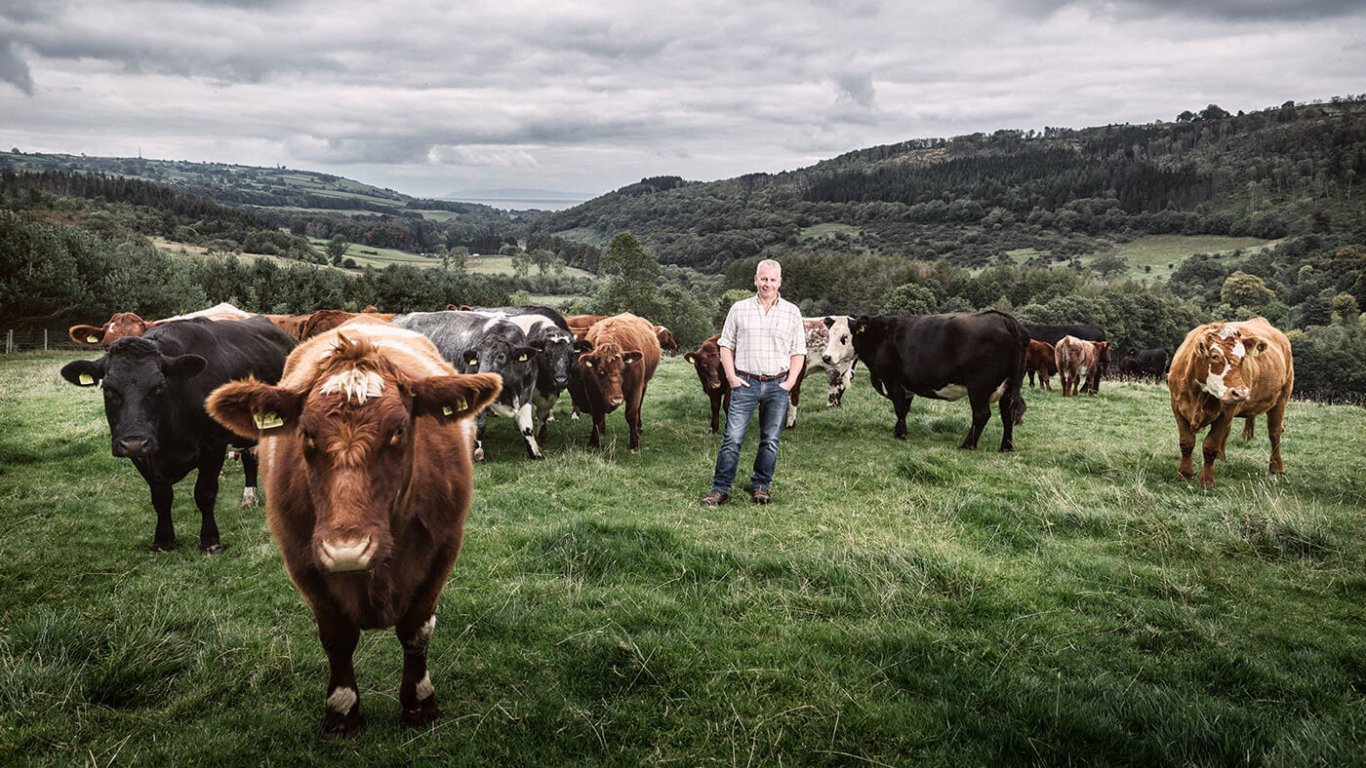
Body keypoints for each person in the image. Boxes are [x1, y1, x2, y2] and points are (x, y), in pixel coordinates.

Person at [701, 259, 806, 506]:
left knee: (770, 439)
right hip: (745, 383)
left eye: (772, 280)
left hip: (777, 384)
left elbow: (798, 351)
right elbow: (726, 345)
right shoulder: (739, 309)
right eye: (763, 279)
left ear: (779, 282)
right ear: (755, 280)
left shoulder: (792, 312)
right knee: (732, 437)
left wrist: (790, 382)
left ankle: (761, 486)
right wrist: (731, 378)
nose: (767, 284)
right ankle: (720, 488)